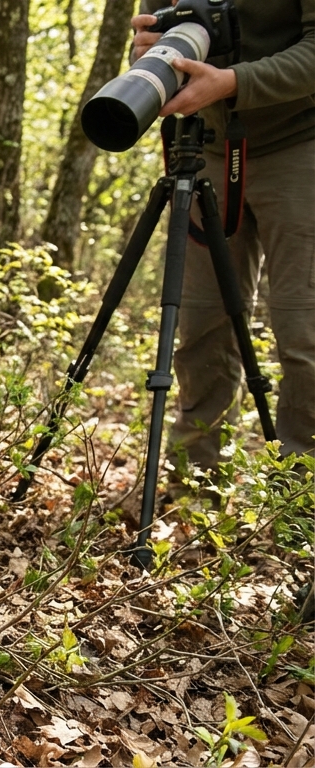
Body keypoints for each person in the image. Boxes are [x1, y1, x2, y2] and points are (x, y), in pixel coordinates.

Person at [131, 1, 315, 485]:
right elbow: (155, 37)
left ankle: (298, 508)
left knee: (304, 335)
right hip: (208, 149)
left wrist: (232, 82)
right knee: (200, 326)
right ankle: (197, 488)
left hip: (301, 144)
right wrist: (150, 54)